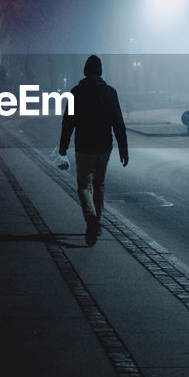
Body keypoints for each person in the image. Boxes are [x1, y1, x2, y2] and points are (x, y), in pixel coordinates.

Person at [59, 55, 128, 244]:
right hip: (105, 146)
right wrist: (124, 148)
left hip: (84, 147)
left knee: (83, 186)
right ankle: (97, 222)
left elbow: (68, 123)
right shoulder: (110, 93)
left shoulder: (75, 93)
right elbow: (118, 123)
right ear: (100, 71)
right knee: (99, 185)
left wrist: (63, 146)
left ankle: (91, 217)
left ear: (85, 71)